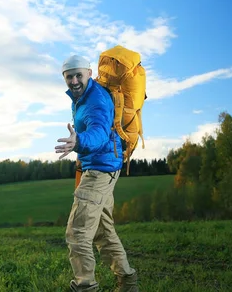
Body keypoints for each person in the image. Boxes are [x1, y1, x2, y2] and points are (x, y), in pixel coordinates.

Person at [55, 54, 139, 292]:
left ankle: (86, 287)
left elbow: (99, 133)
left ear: (89, 74)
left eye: (78, 75)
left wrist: (78, 142)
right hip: (103, 167)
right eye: (69, 77)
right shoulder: (81, 98)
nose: (73, 81)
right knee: (103, 232)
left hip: (101, 171)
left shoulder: (96, 100)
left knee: (78, 233)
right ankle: (128, 284)